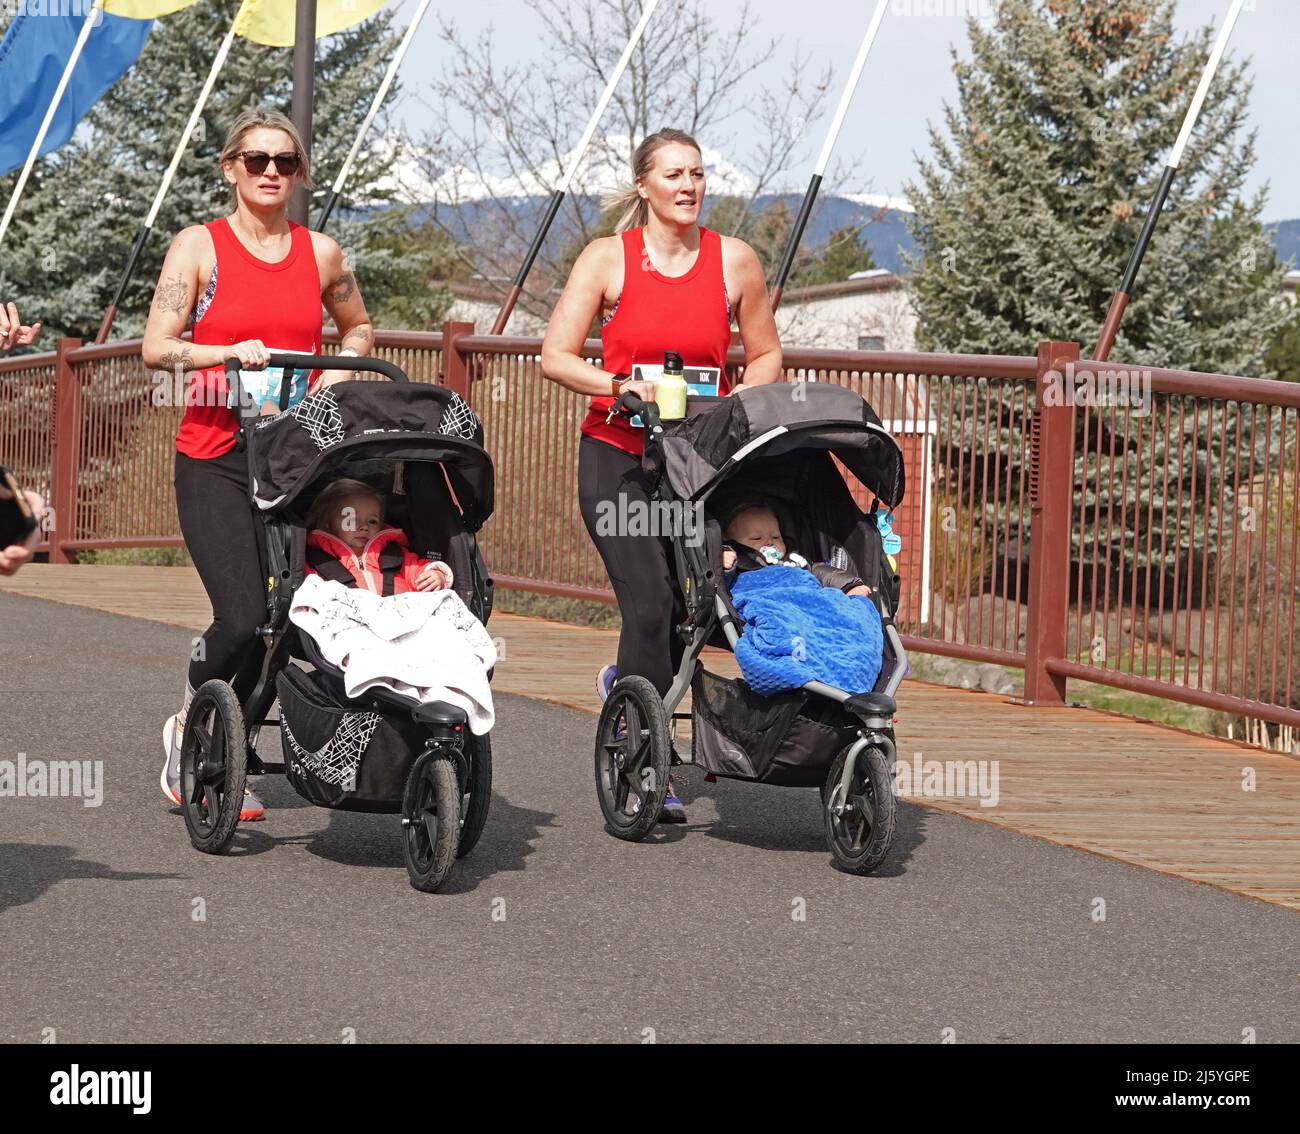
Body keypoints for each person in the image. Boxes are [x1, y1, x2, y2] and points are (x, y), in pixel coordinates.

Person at [541, 127, 783, 822]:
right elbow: (555, 355)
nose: (689, 186)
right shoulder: (607, 259)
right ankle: (647, 760)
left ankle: (628, 683)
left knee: (693, 611)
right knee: (649, 604)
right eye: (674, 174)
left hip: (697, 463)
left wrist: (740, 401)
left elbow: (765, 353)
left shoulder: (734, 261)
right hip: (618, 456)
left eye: (698, 174)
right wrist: (619, 385)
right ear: (644, 185)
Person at [143, 107, 376, 819]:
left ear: (300, 173)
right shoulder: (198, 248)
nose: (271, 172)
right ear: (230, 168)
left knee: (288, 614)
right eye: (256, 161)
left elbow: (358, 326)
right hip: (214, 454)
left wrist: (339, 372)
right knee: (242, 615)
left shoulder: (323, 254)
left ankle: (228, 750)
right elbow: (157, 346)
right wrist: (225, 351)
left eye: (285, 162)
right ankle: (190, 722)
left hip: (294, 459)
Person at [304, 479, 454, 594]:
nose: (364, 527)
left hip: (401, 619)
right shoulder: (317, 561)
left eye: (372, 521)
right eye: (352, 519)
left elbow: (417, 570)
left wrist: (437, 575)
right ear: (328, 524)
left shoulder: (394, 555)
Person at [721, 504, 874, 597]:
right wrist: (723, 561)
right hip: (767, 602)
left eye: (775, 536)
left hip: (807, 601)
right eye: (756, 538)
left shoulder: (794, 559)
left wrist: (848, 585)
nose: (769, 542)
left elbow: (821, 571)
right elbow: (721, 583)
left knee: (856, 607)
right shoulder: (740, 562)